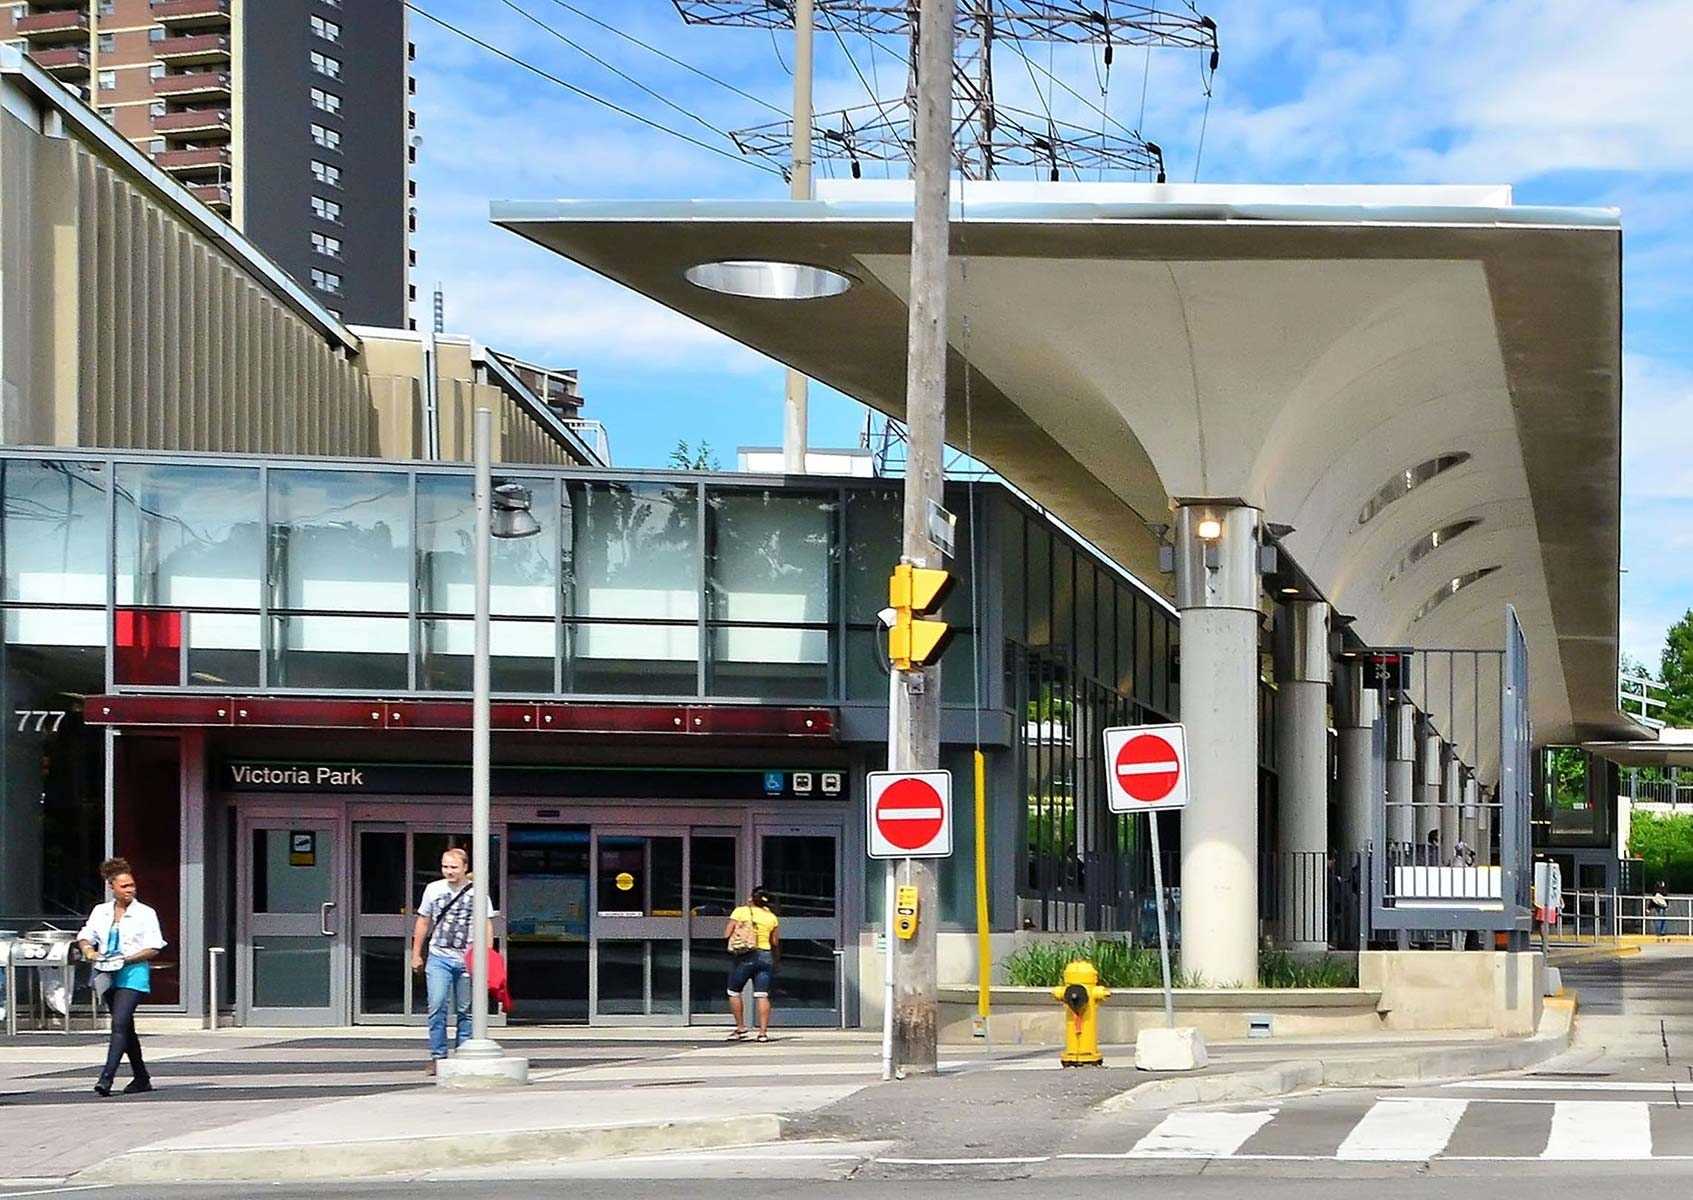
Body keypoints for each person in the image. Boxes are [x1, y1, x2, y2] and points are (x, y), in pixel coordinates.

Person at [76, 857, 165, 1097]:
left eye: (132, 885)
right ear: (112, 887)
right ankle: (141, 1077)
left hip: (132, 973)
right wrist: (88, 950)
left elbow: (154, 947)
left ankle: (106, 1078)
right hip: (106, 972)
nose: (130, 890)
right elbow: (86, 935)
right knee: (126, 1028)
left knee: (119, 1023)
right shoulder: (101, 912)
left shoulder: (145, 913)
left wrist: (126, 959)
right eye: (124, 886)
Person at [410, 847, 497, 1074]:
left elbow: (486, 925)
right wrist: (416, 953)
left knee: (465, 1009)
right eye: (445, 866)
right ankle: (438, 1056)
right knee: (437, 1005)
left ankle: (463, 1053)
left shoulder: (478, 892)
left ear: (465, 868)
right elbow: (423, 921)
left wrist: (487, 956)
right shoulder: (433, 889)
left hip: (467, 958)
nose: (449, 871)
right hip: (439, 956)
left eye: (454, 867)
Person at [724, 886, 779, 1043]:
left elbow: (726, 933)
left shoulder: (740, 912)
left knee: (734, 991)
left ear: (751, 898)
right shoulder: (771, 917)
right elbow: (775, 942)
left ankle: (740, 1027)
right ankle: (762, 1033)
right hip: (766, 956)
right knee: (762, 995)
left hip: (746, 956)